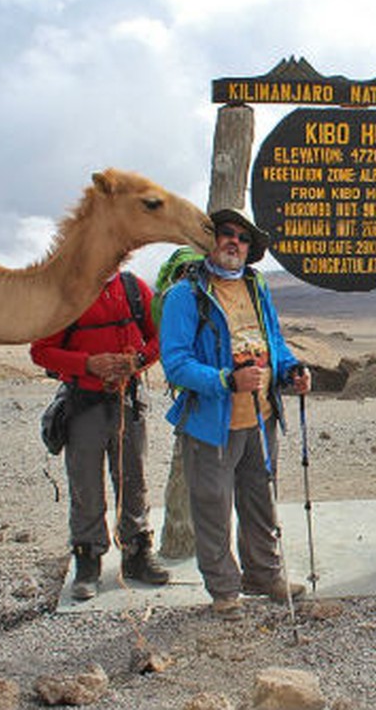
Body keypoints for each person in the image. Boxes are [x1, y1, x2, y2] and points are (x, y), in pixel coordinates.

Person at [158, 206, 312, 619]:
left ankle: (263, 575)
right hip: (212, 425)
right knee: (212, 507)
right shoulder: (185, 296)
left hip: (260, 418)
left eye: (243, 238)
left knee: (260, 501)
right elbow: (175, 362)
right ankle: (224, 590)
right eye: (226, 234)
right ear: (212, 240)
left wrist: (290, 369)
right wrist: (226, 380)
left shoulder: (256, 287)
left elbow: (273, 342)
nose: (234, 242)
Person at [30, 271, 170, 600]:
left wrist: (137, 361)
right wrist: (88, 364)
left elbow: (160, 339)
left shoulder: (134, 289)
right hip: (83, 405)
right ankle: (87, 562)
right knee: (86, 485)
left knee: (133, 480)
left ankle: (136, 554)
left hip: (127, 401)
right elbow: (40, 351)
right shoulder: (69, 290)